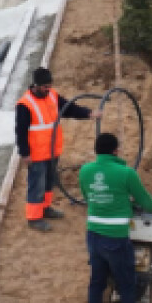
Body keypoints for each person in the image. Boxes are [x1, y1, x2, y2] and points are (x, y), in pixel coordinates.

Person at [80, 132, 152, 303]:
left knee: (97, 282)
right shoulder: (126, 173)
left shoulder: (85, 171)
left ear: (96, 151)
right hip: (116, 238)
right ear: (116, 151)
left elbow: (89, 196)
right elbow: (146, 202)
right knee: (126, 281)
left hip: (93, 235)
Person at [15, 67, 97, 232]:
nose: (48, 89)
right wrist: (24, 153)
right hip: (37, 154)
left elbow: (69, 108)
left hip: (52, 150)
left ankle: (45, 208)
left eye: (49, 86)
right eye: (45, 87)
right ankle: (34, 218)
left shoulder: (52, 95)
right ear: (36, 85)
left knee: (49, 182)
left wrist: (89, 113)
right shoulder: (25, 104)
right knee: (36, 185)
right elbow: (20, 131)